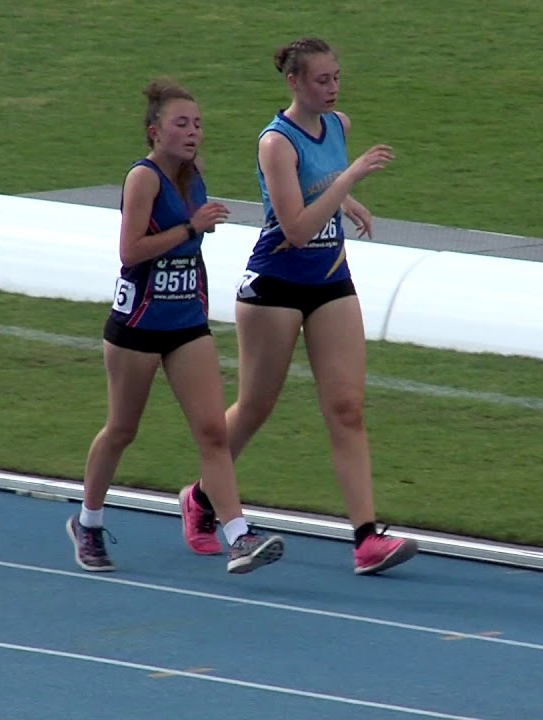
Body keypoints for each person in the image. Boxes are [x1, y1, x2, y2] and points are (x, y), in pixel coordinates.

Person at [177, 38, 418, 576]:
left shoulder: (337, 125)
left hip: (331, 278)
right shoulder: (275, 143)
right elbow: (295, 228)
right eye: (321, 80)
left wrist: (344, 194)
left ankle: (365, 539)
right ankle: (200, 497)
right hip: (277, 285)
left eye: (336, 77)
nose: (332, 89)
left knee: (347, 409)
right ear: (294, 82)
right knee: (257, 406)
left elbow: (320, 181)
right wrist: (350, 180)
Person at [67, 79, 284, 576]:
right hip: (139, 322)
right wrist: (191, 227)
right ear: (154, 131)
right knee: (122, 430)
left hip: (187, 320)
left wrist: (195, 228)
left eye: (198, 124)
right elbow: (130, 252)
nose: (193, 133)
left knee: (211, 431)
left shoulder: (196, 174)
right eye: (181, 124)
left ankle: (238, 535)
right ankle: (88, 522)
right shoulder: (142, 179)